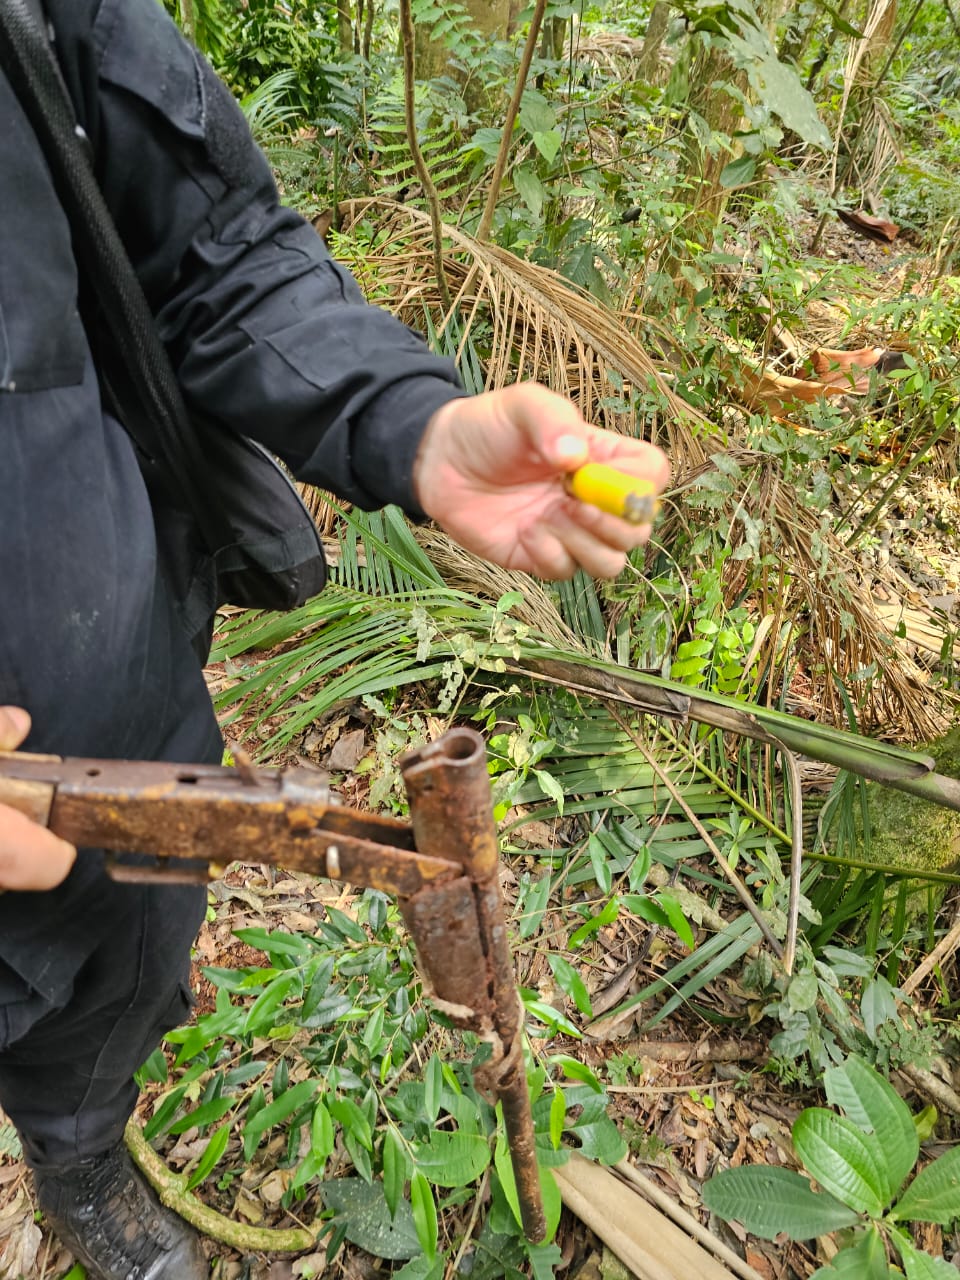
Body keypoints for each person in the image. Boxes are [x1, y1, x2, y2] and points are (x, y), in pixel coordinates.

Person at [0, 1, 669, 1277]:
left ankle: (78, 1150)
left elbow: (210, 246)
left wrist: (410, 420)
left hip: (123, 703)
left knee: (123, 970)